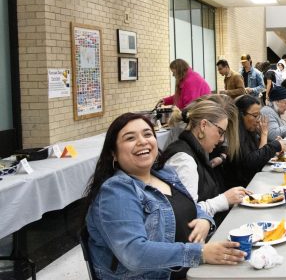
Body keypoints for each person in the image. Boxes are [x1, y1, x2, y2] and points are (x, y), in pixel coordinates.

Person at [83, 113, 245, 280]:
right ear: (113, 154)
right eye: (130, 138)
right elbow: (134, 253)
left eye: (147, 134)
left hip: (193, 271)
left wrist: (205, 220)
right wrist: (201, 253)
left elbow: (190, 207)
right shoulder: (116, 191)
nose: (142, 141)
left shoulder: (164, 174)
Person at [162, 100, 247, 225]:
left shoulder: (192, 151)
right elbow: (187, 215)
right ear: (203, 125)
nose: (222, 139)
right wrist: (224, 199)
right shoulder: (184, 160)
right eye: (220, 132)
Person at [224, 95, 286, 189]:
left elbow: (258, 157)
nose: (258, 120)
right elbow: (249, 162)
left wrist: (272, 149)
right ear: (241, 114)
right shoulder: (235, 134)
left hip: (251, 184)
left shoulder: (249, 131)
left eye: (259, 115)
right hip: (242, 188)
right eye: (255, 116)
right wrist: (274, 146)